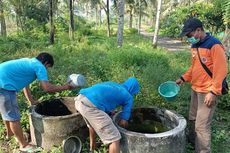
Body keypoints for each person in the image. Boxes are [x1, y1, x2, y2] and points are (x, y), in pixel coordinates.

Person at [0, 52, 75, 152]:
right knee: (13, 117)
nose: (46, 70)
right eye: (48, 68)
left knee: (7, 113)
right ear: (46, 63)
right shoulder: (40, 66)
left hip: (2, 82)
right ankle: (23, 145)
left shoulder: (29, 62)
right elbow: (47, 88)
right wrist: (65, 87)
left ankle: (10, 133)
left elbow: (25, 85)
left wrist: (31, 101)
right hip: (4, 86)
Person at [176, 18, 228, 153]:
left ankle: (203, 150)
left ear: (199, 30)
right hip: (195, 88)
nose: (189, 38)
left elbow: (221, 70)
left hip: (207, 92)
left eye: (189, 35)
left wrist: (214, 92)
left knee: (202, 126)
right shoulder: (195, 45)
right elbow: (195, 67)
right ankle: (194, 145)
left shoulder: (214, 45)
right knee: (193, 118)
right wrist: (184, 78)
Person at [75, 77, 140, 153]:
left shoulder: (115, 85)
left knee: (92, 125)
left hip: (80, 99)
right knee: (115, 137)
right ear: (133, 90)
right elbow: (123, 121)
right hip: (90, 106)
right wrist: (123, 125)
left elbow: (102, 97)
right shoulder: (128, 96)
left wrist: (109, 112)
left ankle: (92, 149)